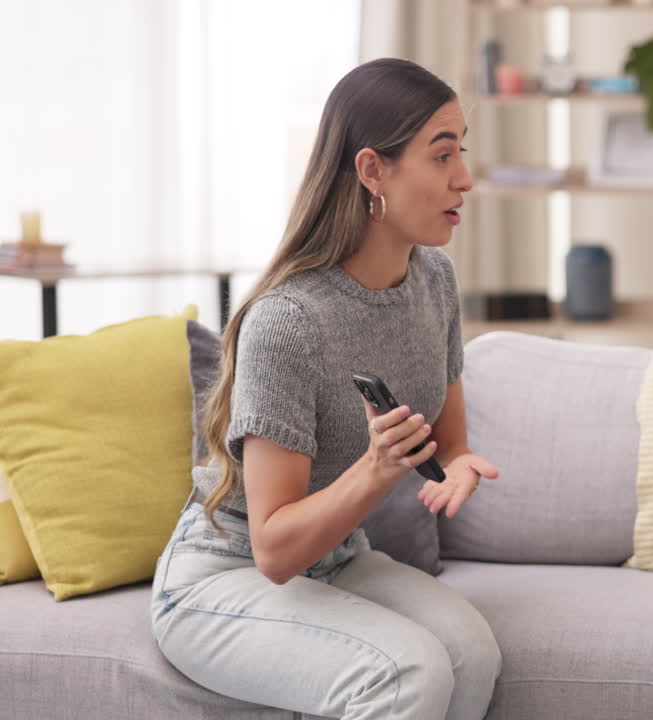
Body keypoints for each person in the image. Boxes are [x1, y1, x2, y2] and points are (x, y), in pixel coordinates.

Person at [151, 58, 502, 720]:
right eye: (442, 155)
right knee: (408, 672)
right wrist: (374, 471)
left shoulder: (435, 282)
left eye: (463, 152)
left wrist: (456, 467)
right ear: (373, 171)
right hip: (223, 573)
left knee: (471, 652)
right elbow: (274, 549)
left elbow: (450, 442)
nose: (465, 178)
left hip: (339, 556)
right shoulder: (289, 322)